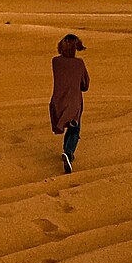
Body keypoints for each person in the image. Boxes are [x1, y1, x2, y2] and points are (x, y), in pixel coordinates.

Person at [49, 33, 89, 174]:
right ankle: (69, 152)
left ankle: (66, 151)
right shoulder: (79, 64)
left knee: (70, 126)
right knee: (75, 127)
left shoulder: (55, 62)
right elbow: (85, 85)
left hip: (57, 101)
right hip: (74, 102)